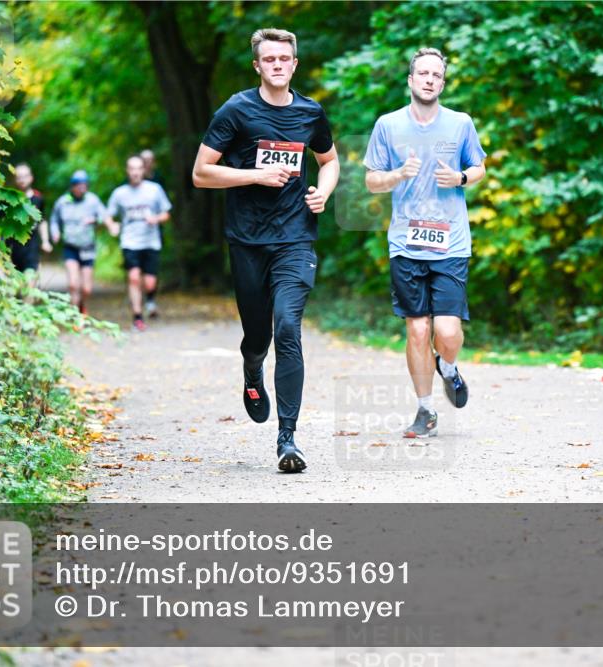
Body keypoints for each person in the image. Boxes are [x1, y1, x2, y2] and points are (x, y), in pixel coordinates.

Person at [192, 27, 340, 473]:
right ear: (258, 65)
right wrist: (253, 176)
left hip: (295, 237)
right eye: (269, 59)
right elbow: (201, 173)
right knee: (258, 336)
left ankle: (287, 439)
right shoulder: (236, 111)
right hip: (247, 240)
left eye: (285, 59)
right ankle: (252, 368)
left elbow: (329, 160)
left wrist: (324, 194)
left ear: (295, 64)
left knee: (288, 327)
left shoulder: (311, 113)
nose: (278, 65)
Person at [363, 47, 486, 438]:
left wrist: (462, 179)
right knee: (417, 330)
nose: (430, 79)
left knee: (447, 333)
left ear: (442, 83)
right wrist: (398, 174)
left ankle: (448, 367)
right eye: (423, 73)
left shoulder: (460, 123)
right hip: (406, 243)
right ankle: (425, 410)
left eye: (437, 74)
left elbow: (479, 166)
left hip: (451, 243)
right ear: (411, 80)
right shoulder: (388, 125)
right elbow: (370, 181)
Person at [105, 155, 172, 331]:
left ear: (143, 170)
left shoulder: (155, 189)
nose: (135, 172)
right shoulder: (120, 193)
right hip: (130, 241)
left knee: (149, 282)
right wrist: (112, 226)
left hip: (151, 242)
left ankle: (149, 298)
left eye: (138, 168)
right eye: (131, 168)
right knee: (133, 277)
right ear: (127, 171)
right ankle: (137, 317)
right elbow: (108, 215)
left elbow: (166, 213)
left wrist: (155, 219)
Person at [49, 170, 115, 315]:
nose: (82, 188)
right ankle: (75, 317)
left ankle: (81, 305)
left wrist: (99, 222)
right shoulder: (63, 201)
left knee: (86, 288)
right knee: (73, 284)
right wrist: (55, 232)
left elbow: (104, 217)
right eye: (79, 185)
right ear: (72, 186)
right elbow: (54, 220)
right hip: (70, 247)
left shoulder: (93, 200)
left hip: (87, 247)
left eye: (85, 185)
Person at [6, 163, 51, 276]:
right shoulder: (7, 199)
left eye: (25, 176)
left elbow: (42, 221)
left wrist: (45, 241)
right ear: (15, 179)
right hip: (11, 251)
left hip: (32, 250)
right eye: (19, 177)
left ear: (31, 178)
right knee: (16, 291)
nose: (22, 180)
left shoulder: (38, 199)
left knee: (29, 288)